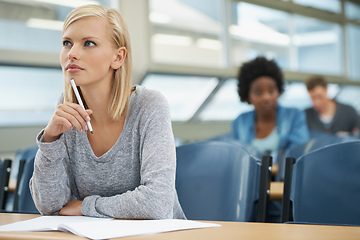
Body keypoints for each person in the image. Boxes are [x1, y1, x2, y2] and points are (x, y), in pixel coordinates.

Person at [30, 5, 185, 219]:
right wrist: (50, 139)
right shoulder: (67, 111)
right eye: (67, 43)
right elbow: (50, 205)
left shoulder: (149, 105)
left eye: (89, 43)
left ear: (118, 57)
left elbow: (157, 202)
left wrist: (85, 207)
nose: (72, 54)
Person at [231, 57, 309, 157]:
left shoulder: (294, 116)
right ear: (248, 97)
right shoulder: (240, 121)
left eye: (271, 91)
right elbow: (238, 157)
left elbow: (299, 154)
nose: (267, 97)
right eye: (258, 92)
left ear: (278, 91)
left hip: (284, 172)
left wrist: (275, 168)